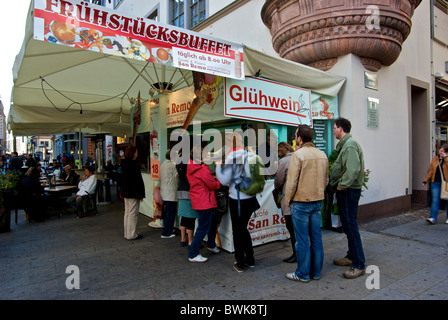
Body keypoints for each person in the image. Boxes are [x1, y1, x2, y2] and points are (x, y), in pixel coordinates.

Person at [284, 125, 328, 283]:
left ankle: (303, 273)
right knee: (316, 238)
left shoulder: (299, 155)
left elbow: (291, 182)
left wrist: (288, 200)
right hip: (317, 201)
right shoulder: (322, 154)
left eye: (296, 135)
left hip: (301, 202)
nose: (296, 138)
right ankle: (316, 272)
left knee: (302, 240)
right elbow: (326, 180)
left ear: (300, 138)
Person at [216, 132, 260, 272]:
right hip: (251, 199)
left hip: (237, 200)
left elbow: (223, 180)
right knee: (243, 228)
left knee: (237, 230)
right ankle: (250, 259)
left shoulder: (231, 157)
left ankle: (240, 263)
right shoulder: (252, 155)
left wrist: (218, 166)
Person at [330, 117, 366, 279]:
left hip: (349, 190)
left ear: (340, 129)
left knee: (351, 226)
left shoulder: (350, 145)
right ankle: (351, 256)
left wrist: (341, 186)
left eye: (334, 128)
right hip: (347, 190)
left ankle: (358, 264)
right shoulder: (346, 145)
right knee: (348, 224)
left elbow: (352, 170)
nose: (333, 130)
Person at [187, 144, 221, 263]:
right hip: (206, 201)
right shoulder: (202, 169)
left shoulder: (192, 167)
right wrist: (218, 180)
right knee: (203, 228)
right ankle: (193, 254)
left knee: (210, 224)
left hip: (199, 200)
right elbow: (212, 185)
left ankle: (211, 245)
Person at [274, 142, 297, 263]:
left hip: (288, 198)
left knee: (292, 229)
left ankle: (296, 254)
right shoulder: (298, 157)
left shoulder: (283, 162)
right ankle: (301, 253)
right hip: (300, 199)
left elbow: (278, 181)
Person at [121, 146, 145, 240]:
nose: (137, 153)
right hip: (133, 193)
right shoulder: (133, 165)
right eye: (136, 151)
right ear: (133, 153)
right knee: (132, 214)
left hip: (126, 192)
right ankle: (131, 234)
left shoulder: (125, 164)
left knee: (127, 213)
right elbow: (136, 181)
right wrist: (139, 195)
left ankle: (127, 233)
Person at [176, 152, 198, 246]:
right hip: (189, 191)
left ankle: (183, 238)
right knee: (191, 217)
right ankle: (190, 241)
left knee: (184, 216)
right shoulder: (189, 163)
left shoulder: (178, 162)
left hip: (180, 190)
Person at [422, 144, 448, 224]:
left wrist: (446, 158)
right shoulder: (435, 159)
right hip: (435, 182)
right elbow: (431, 171)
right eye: (441, 150)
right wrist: (425, 180)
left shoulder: (447, 159)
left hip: (446, 183)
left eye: (443, 151)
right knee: (435, 200)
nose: (441, 152)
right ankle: (432, 217)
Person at [160, 149, 179, 239]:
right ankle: (166, 232)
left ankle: (167, 229)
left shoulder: (164, 164)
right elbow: (177, 177)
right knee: (170, 213)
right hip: (170, 193)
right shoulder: (172, 166)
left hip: (164, 192)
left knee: (167, 212)